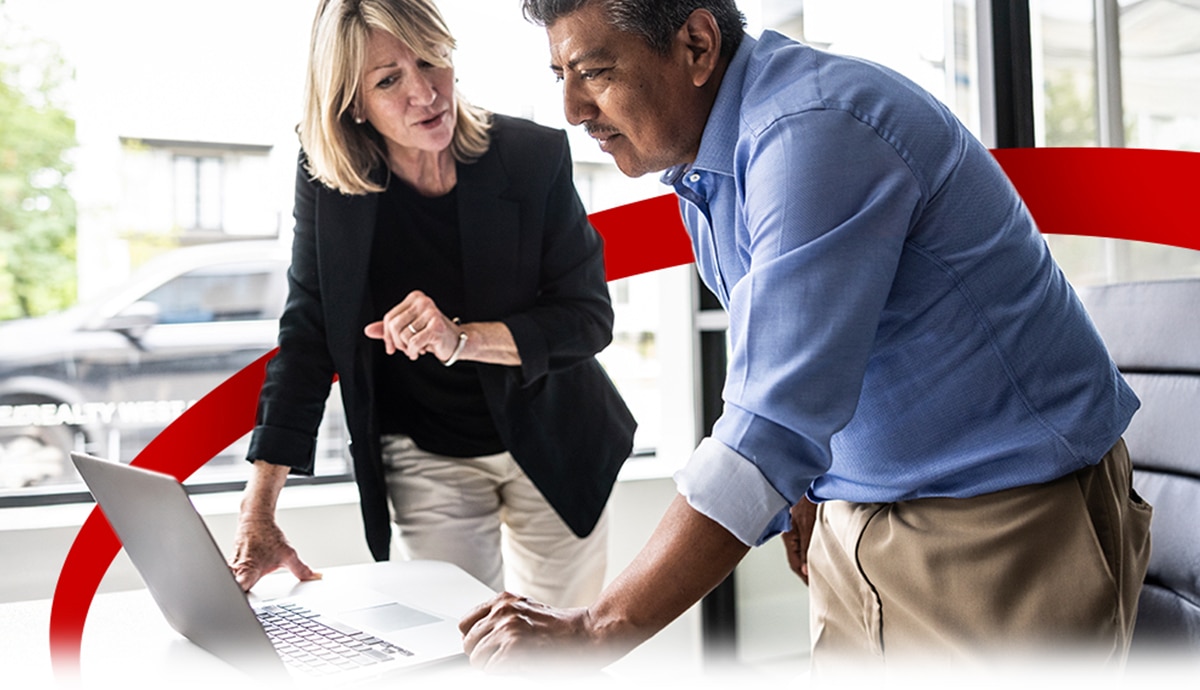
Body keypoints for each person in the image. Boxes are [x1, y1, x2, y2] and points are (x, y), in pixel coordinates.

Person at [459, 0, 1152, 675]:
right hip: (857, 513)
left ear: (697, 45)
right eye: (562, 76)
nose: (573, 110)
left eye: (594, 72)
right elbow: (789, 358)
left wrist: (596, 629)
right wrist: (803, 491)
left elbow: (771, 422)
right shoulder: (710, 166)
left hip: (998, 523)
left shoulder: (811, 132)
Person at [229, 0, 636, 610]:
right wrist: (258, 509)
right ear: (353, 103)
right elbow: (309, 337)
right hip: (425, 452)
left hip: (555, 435)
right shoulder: (327, 180)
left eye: (429, 60)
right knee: (458, 633)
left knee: (561, 643)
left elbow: (587, 318)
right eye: (388, 80)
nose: (425, 93)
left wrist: (461, 338)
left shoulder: (531, 156)